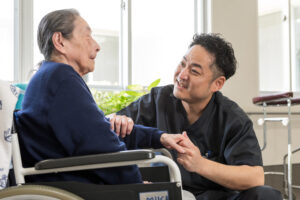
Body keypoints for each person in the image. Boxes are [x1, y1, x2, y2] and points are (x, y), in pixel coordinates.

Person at [15, 8, 186, 186]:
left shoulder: (48, 77)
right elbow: (101, 146)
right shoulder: (61, 78)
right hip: (74, 186)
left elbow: (102, 131)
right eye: (87, 36)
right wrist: (137, 186)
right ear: (60, 41)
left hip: (68, 180)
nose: (97, 46)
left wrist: (159, 137)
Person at [117, 33, 283, 200]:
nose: (182, 75)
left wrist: (200, 164)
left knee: (266, 195)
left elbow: (255, 177)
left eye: (194, 71)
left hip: (216, 197)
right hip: (167, 195)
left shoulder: (232, 118)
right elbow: (109, 125)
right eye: (182, 64)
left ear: (217, 83)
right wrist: (118, 120)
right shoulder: (157, 100)